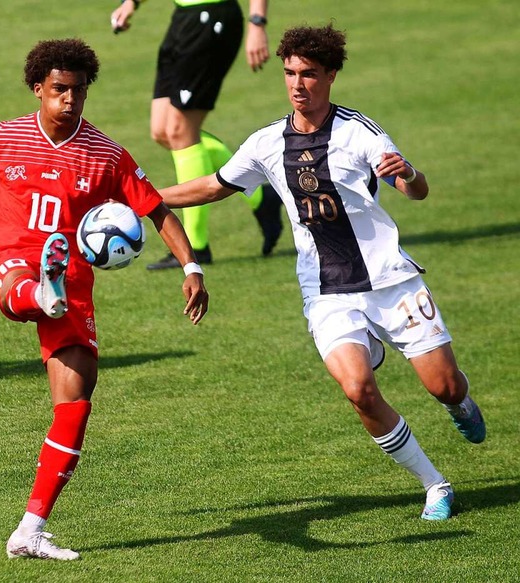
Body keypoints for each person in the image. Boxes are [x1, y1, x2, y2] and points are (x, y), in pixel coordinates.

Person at [159, 24, 486, 520]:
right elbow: (213, 185)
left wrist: (410, 175)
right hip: (327, 289)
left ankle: (459, 404)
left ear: (331, 75)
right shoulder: (268, 142)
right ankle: (434, 484)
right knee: (357, 389)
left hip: (391, 281)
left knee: (444, 386)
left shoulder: (361, 133)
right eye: (289, 73)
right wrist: (142, 196)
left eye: (309, 74)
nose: (297, 84)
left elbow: (415, 191)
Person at [0, 38, 208, 560]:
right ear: (38, 89)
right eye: (59, 90)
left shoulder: (107, 154)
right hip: (12, 259)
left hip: (70, 284)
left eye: (79, 91)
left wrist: (191, 265)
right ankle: (38, 293)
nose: (70, 100)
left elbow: (156, 209)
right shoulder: (2, 137)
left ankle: (30, 529)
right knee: (20, 288)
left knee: (75, 403)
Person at [109, 0, 284, 269]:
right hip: (183, 19)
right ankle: (263, 199)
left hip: (213, 17)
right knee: (162, 130)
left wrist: (257, 22)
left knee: (180, 131)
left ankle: (195, 246)